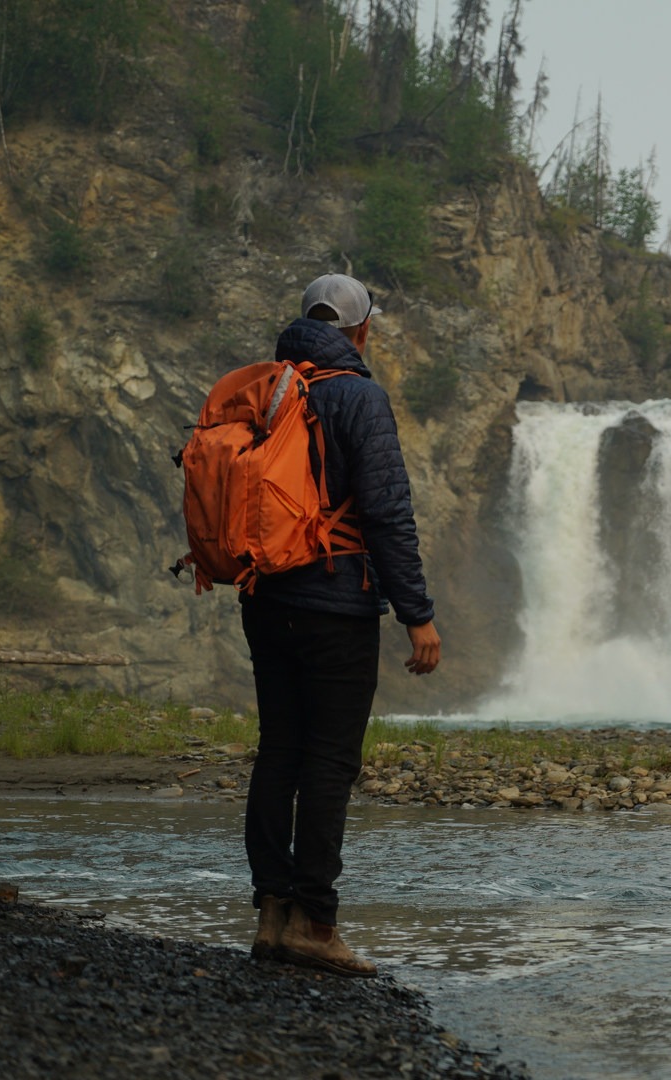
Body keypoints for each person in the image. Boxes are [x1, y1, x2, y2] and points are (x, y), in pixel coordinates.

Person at [242, 273, 442, 978]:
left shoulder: (265, 390)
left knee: (279, 750)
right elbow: (386, 513)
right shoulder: (358, 395)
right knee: (328, 762)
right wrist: (416, 614)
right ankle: (316, 925)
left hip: (264, 598)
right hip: (335, 602)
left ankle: (271, 915)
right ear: (360, 332)